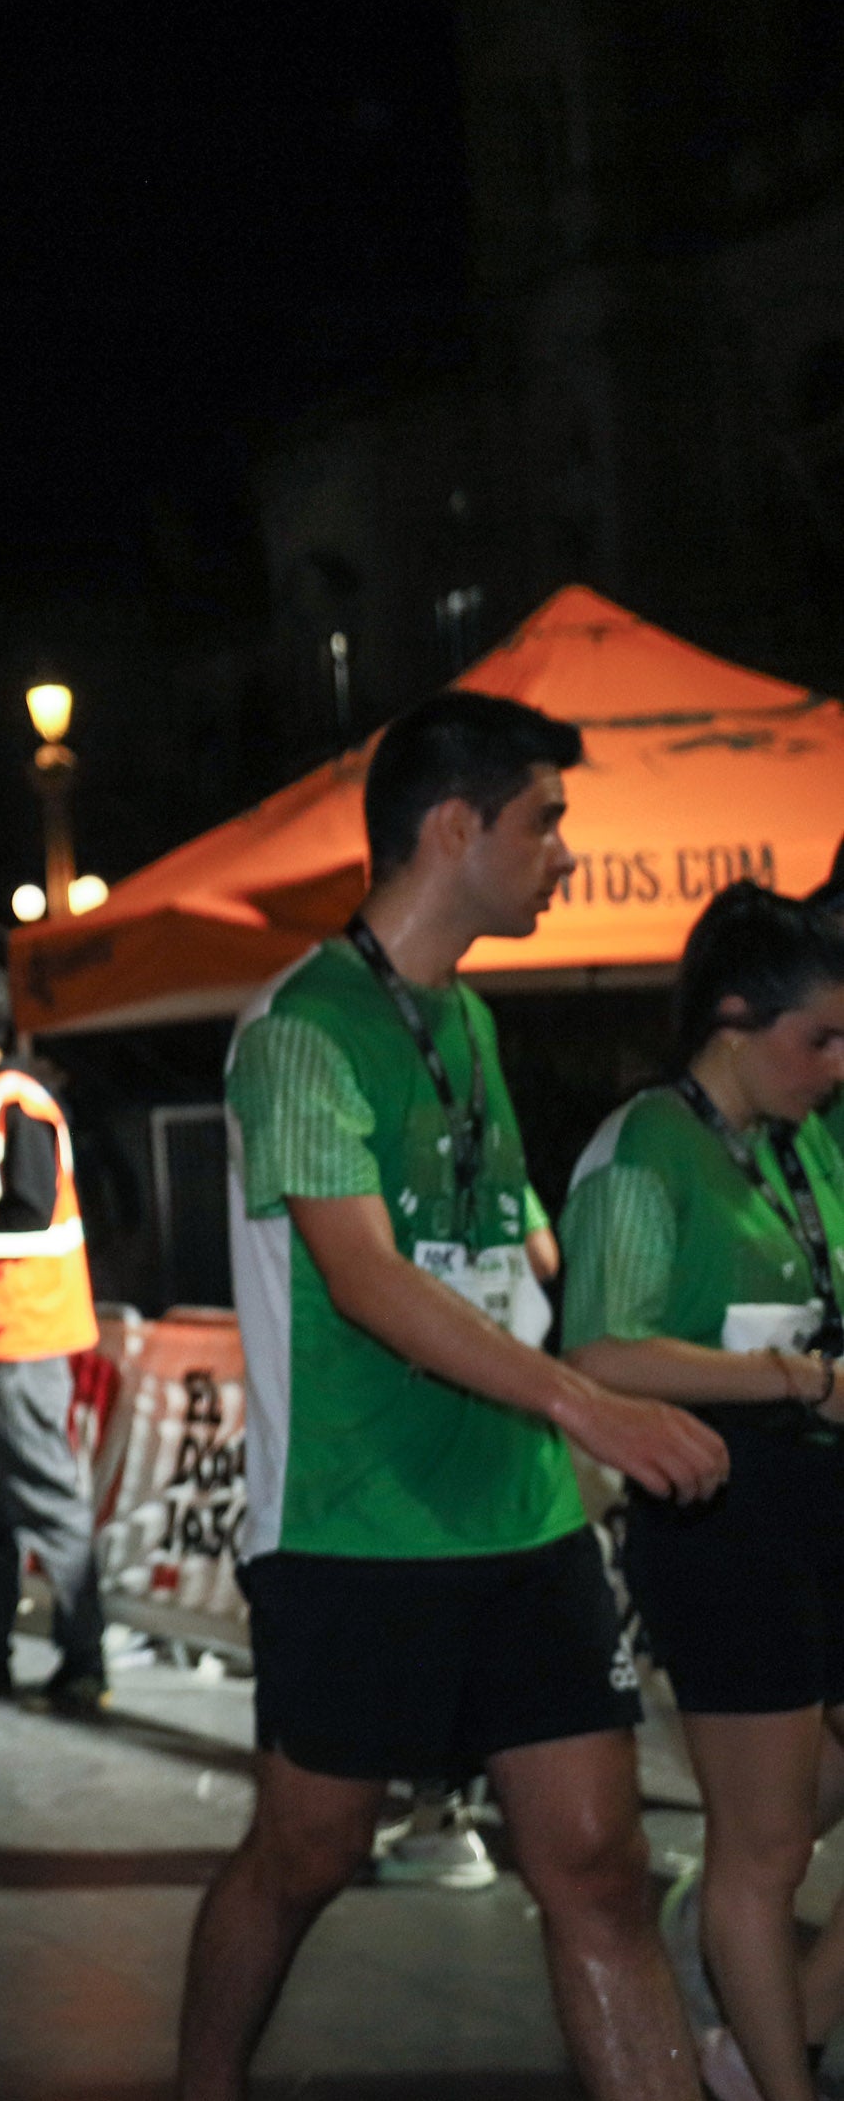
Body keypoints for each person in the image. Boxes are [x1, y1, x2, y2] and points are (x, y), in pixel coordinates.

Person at [184, 689, 728, 2101]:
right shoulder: (297, 1027)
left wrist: (649, 1346)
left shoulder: (468, 1018)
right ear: (452, 825)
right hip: (354, 1520)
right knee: (305, 1853)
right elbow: (365, 1276)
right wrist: (587, 1404)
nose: (566, 854)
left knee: (599, 1864)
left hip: (523, 1514)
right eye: (545, 820)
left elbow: (514, 1235)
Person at [559, 884, 844, 2101]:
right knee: (764, 1853)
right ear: (734, 1017)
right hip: (724, 1524)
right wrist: (796, 1377)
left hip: (819, 1507)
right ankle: (774, 2070)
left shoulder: (799, 1143)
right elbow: (600, 1352)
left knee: (761, 1842)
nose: (838, 1066)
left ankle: (754, 2025)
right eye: (819, 1037)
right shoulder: (644, 1146)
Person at [0, 967, 111, 1713]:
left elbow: (32, 1214)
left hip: (20, 1337)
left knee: (47, 1505)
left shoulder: (15, 1098)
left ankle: (83, 1663)